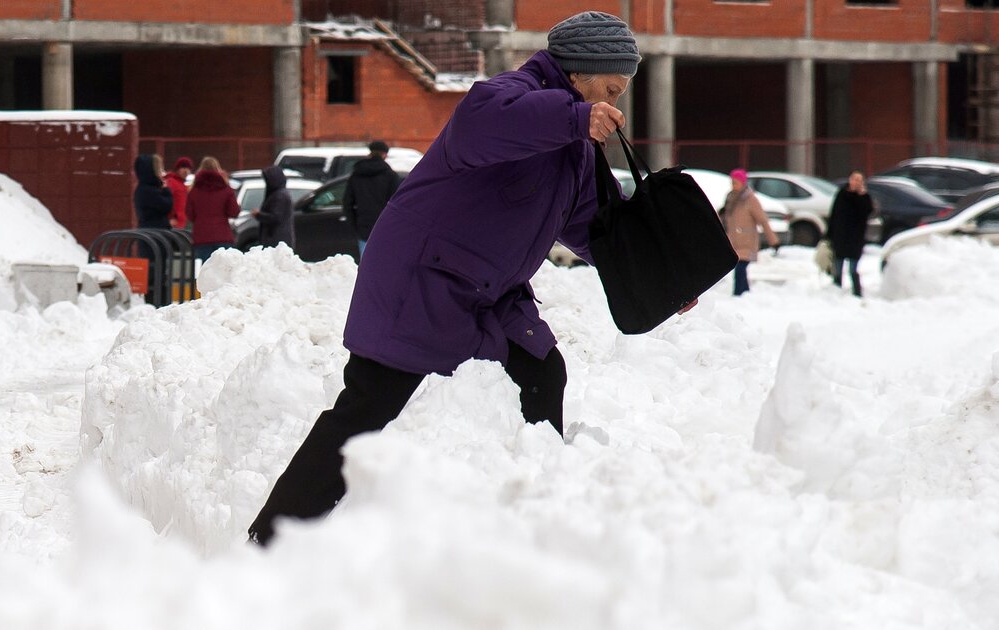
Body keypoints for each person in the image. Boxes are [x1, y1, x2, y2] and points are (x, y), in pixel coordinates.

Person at [248, 11, 692, 546]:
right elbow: (484, 120)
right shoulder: (513, 96)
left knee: (542, 372)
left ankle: (528, 520)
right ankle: (272, 540)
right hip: (421, 282)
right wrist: (575, 120)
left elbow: (591, 224)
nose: (614, 103)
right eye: (611, 88)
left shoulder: (575, 147)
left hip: (489, 293)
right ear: (579, 73)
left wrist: (659, 277)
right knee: (367, 408)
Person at [722, 168, 780, 296]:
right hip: (734, 242)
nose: (733, 185)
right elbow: (726, 219)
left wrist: (774, 241)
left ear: (743, 182)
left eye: (736, 182)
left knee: (740, 269)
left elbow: (763, 221)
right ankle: (745, 293)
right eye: (732, 182)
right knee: (739, 269)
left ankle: (738, 294)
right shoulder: (731, 198)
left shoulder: (750, 199)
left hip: (747, 242)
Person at [342, 140, 402, 257]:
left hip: (363, 226)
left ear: (370, 153)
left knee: (366, 263)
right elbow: (398, 203)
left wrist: (354, 224)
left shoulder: (357, 175)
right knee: (384, 264)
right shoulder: (391, 176)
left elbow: (347, 202)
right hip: (385, 227)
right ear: (385, 154)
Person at [184, 157, 240, 262]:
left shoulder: (194, 191)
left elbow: (190, 214)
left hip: (201, 237)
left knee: (206, 271)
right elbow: (234, 212)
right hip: (223, 236)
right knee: (224, 271)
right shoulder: (226, 189)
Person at [826, 170, 872, 297]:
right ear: (849, 180)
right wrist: (829, 235)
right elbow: (834, 215)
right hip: (840, 237)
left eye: (859, 180)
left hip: (855, 239)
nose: (856, 182)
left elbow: (867, 212)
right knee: (838, 266)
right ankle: (835, 292)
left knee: (853, 268)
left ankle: (857, 293)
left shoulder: (864, 198)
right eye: (854, 179)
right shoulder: (841, 194)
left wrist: (862, 196)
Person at [253, 166, 295, 248]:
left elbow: (275, 217)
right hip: (277, 238)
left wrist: (259, 215)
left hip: (276, 239)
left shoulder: (279, 196)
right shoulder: (278, 194)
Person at [133, 154, 172, 229]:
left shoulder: (144, 188)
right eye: (160, 169)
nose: (162, 172)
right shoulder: (150, 190)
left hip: (150, 232)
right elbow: (166, 206)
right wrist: (166, 190)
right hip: (155, 234)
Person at [164, 156, 193, 229]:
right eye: (183, 167)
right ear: (177, 169)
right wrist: (170, 218)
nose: (186, 171)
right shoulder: (171, 182)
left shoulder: (182, 185)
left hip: (180, 225)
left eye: (188, 168)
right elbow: (166, 200)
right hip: (173, 225)